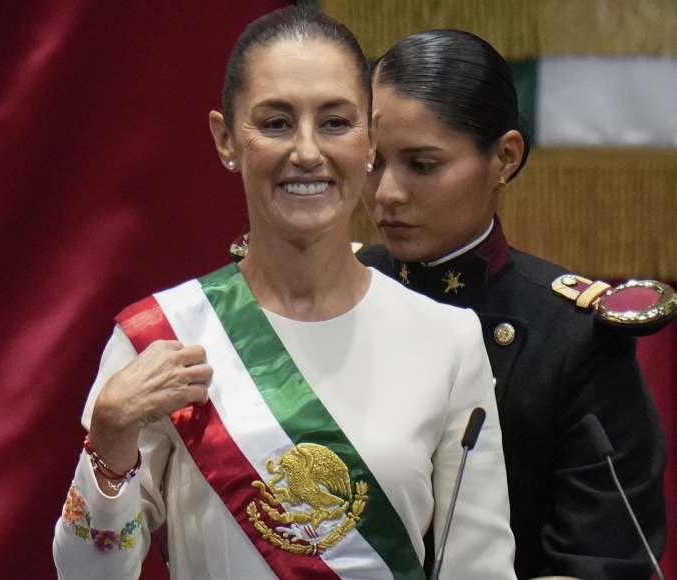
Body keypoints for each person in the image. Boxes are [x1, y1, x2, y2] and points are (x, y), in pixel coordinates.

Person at [53, 9, 517, 579]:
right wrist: (110, 441)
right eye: (275, 123)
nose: (306, 152)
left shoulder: (448, 341)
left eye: (335, 122)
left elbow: (480, 569)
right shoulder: (160, 337)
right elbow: (85, 574)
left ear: (370, 137)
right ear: (226, 140)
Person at [358, 29, 669, 580]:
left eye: (422, 165)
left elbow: (605, 558)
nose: (387, 193)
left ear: (505, 156)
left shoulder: (574, 336)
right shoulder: (337, 293)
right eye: (373, 162)